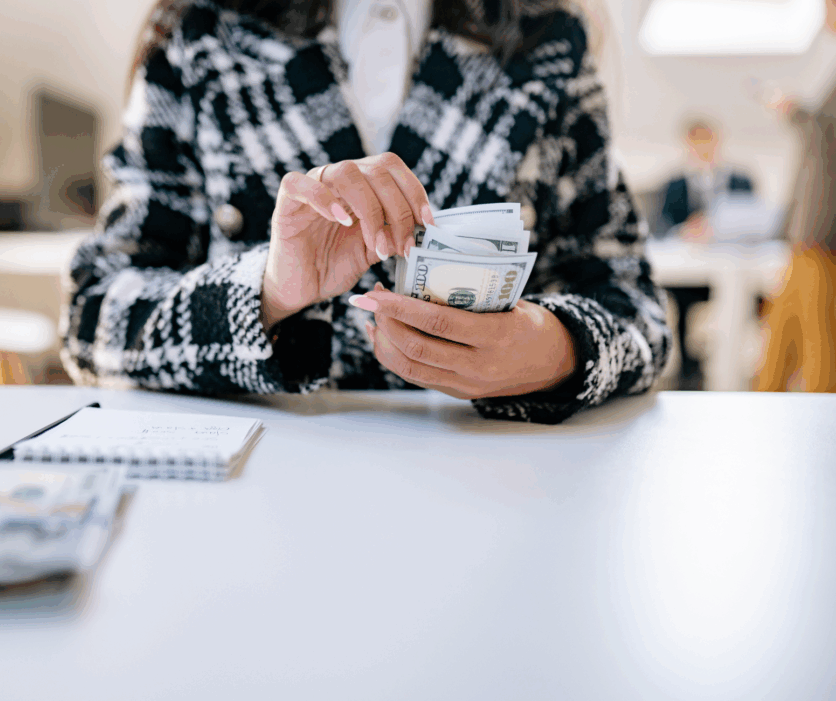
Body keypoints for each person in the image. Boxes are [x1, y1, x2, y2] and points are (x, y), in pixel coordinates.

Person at [60, 0, 671, 425]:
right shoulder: (200, 34)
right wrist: (267, 293)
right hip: (256, 498)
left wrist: (554, 352)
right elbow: (92, 320)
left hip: (490, 488)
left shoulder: (547, 42)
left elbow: (639, 311)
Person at [754, 0, 836, 392]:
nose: (825, 14)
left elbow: (826, 133)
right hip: (806, 232)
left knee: (819, 344)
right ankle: (761, 411)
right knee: (780, 342)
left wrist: (793, 110)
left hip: (823, 232)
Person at [656, 120, 756, 390]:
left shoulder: (742, 181)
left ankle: (731, 370)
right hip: (690, 274)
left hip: (734, 267)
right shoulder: (674, 185)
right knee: (680, 301)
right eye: (696, 142)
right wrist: (685, 231)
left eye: (707, 140)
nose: (703, 148)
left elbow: (754, 222)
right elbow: (662, 225)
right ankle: (689, 370)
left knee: (744, 299)